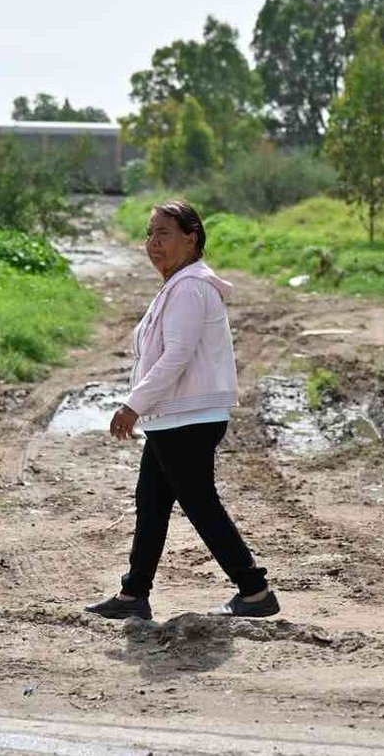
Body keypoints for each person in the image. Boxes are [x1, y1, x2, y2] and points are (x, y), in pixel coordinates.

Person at [84, 200, 278, 621]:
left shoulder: (190, 288)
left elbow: (176, 357)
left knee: (200, 504)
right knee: (151, 502)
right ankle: (134, 594)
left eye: (164, 234)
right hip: (177, 417)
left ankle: (255, 590)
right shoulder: (180, 284)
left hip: (187, 418)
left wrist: (133, 405)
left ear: (191, 239)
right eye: (150, 234)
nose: (154, 244)